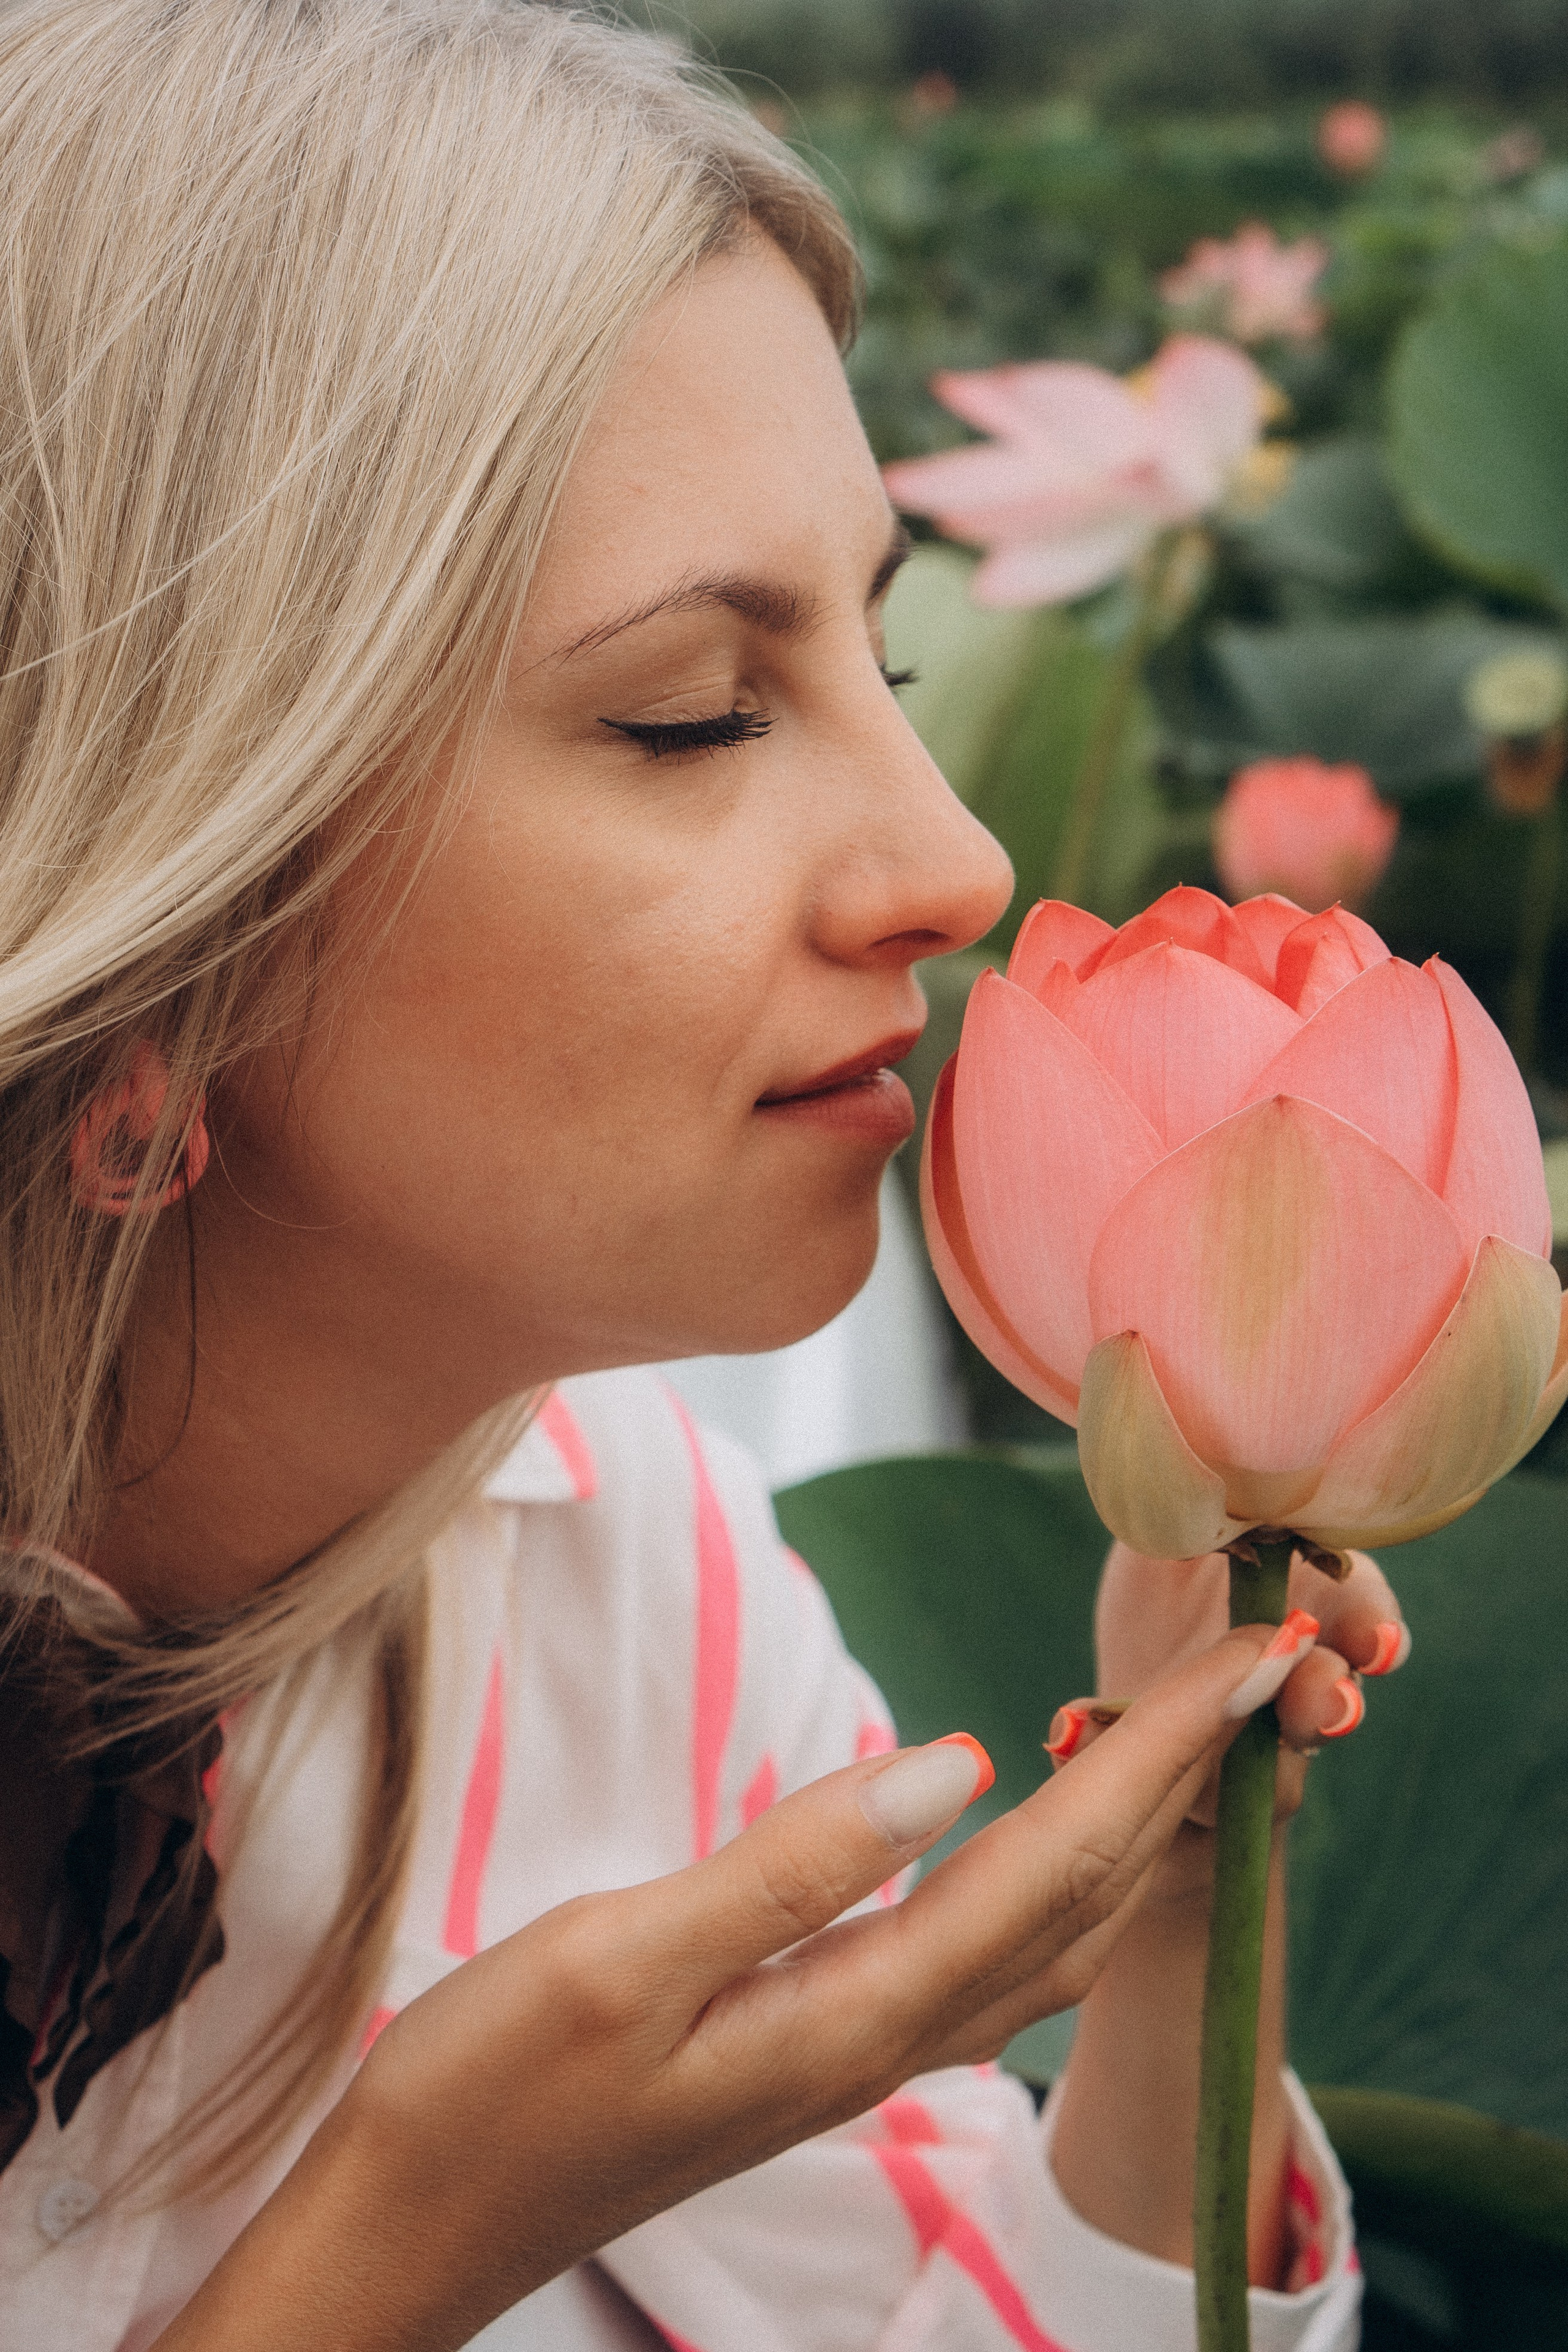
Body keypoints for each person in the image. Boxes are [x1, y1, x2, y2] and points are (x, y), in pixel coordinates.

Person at [0, 5, 1401, 2346]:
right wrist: (396, 2245)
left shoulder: (638, 1565)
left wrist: (1173, 1932)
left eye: (891, 665)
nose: (958, 867)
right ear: (140, 972)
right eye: (691, 716)